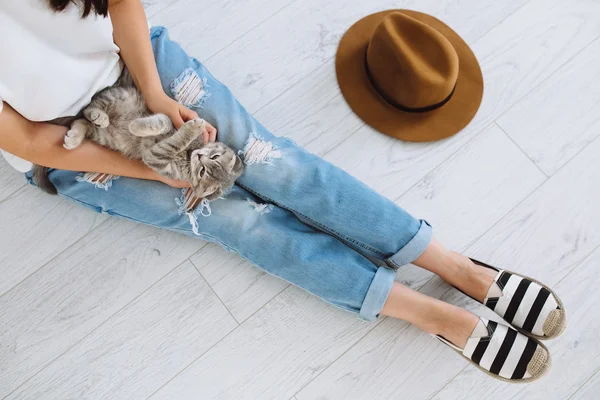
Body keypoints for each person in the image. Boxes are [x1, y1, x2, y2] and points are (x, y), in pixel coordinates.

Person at [0, 0, 565, 382]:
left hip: (133, 63)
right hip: (67, 144)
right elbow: (27, 137)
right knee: (233, 219)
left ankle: (455, 267)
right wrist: (157, 170)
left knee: (275, 165)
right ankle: (431, 314)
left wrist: (155, 94)